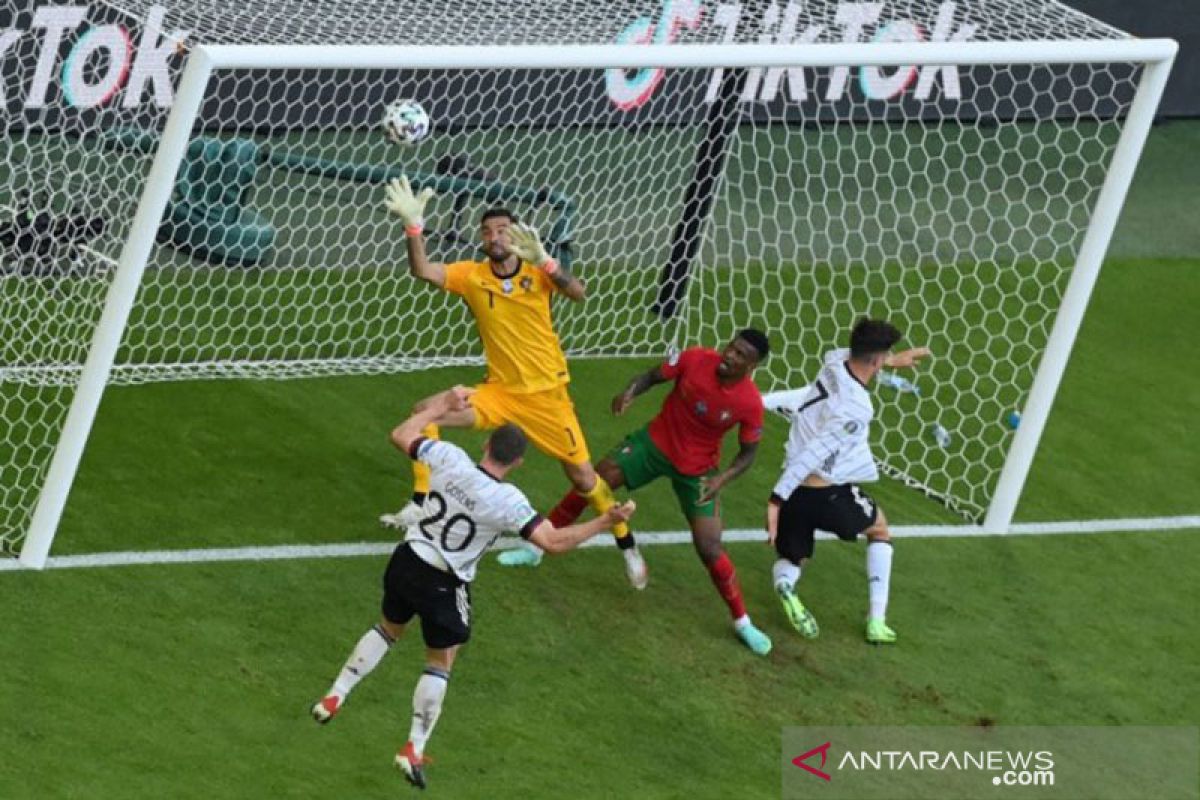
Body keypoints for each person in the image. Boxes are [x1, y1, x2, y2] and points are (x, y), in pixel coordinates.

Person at [310, 386, 636, 789]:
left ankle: (335, 694)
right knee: (441, 659)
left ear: (486, 443)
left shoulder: (449, 457)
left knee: (388, 628)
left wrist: (441, 407)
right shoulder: (509, 501)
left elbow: (401, 434)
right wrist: (604, 522)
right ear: (517, 461)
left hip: (406, 560)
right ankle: (413, 747)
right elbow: (553, 543)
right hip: (443, 581)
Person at [379, 176, 647, 589]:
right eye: (486, 231)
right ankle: (419, 502)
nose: (494, 237)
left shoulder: (537, 272)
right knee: (424, 413)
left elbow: (579, 292)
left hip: (547, 398)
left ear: (516, 234)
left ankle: (625, 541)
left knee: (583, 478)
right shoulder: (471, 276)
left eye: (501, 230)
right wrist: (414, 227)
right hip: (499, 393)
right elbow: (422, 270)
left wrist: (547, 262)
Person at [545, 330, 774, 656]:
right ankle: (542, 541)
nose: (730, 356)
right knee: (594, 480)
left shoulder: (749, 403)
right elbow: (652, 376)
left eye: (740, 356)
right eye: (731, 348)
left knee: (709, 547)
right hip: (654, 444)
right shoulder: (696, 358)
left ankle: (742, 621)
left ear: (752, 366)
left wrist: (721, 480)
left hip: (698, 471)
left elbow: (748, 453)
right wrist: (630, 392)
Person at [763, 318, 931, 645]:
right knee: (880, 529)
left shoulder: (832, 362)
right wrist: (775, 499)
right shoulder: (857, 407)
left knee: (794, 555)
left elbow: (852, 357)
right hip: (826, 492)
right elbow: (815, 452)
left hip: (795, 492)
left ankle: (785, 584)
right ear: (877, 359)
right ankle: (876, 620)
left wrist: (891, 361)